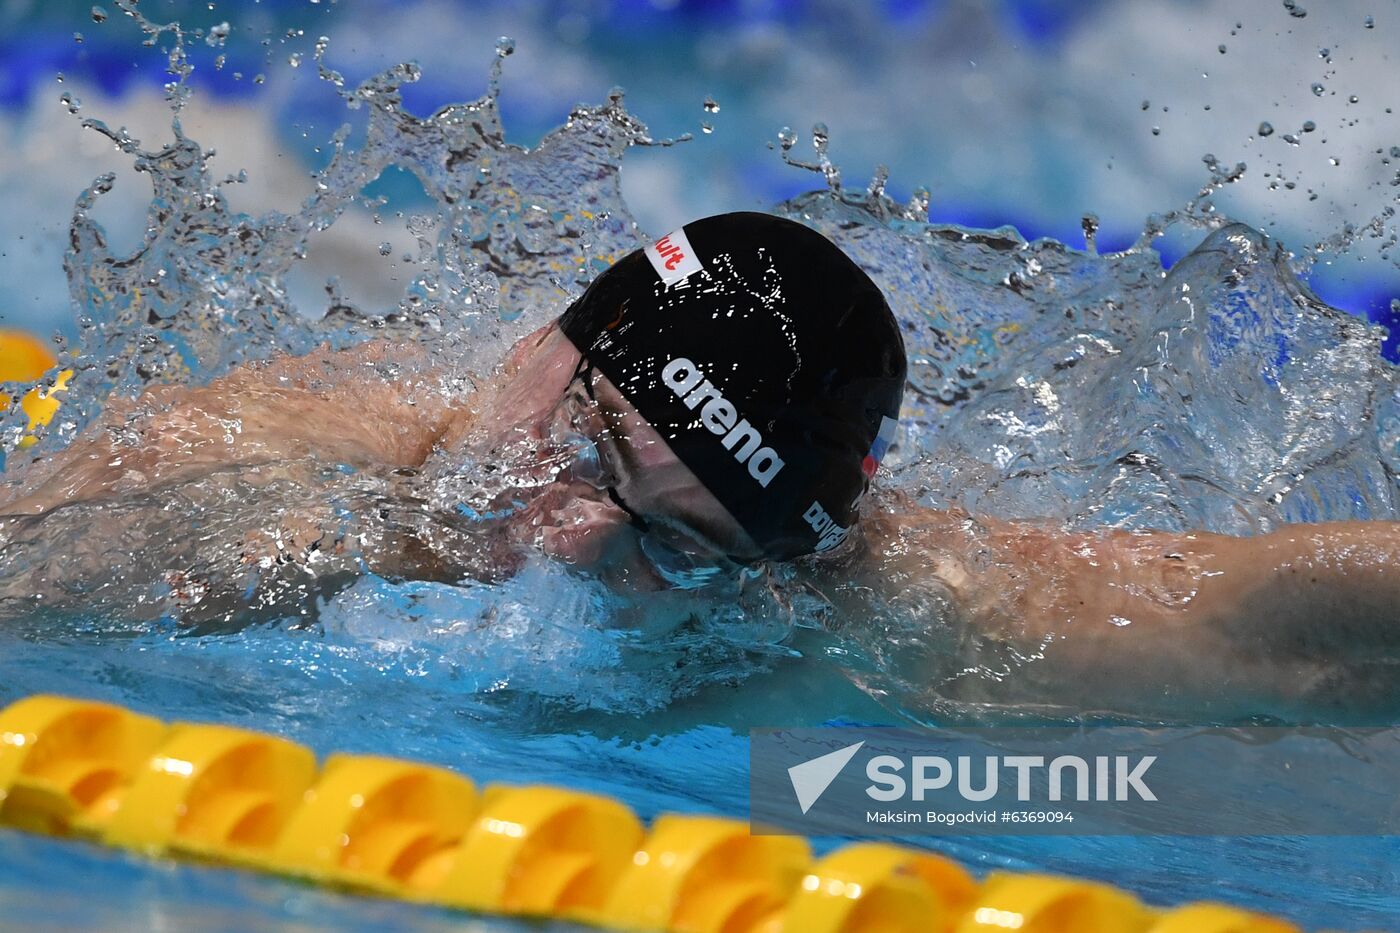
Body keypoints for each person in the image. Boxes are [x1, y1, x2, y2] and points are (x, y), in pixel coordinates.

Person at [2, 212, 1397, 719]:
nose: (570, 543)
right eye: (589, 455)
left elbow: (1259, 622)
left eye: (686, 548)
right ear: (556, 347)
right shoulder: (248, 471)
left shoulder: (876, 606)